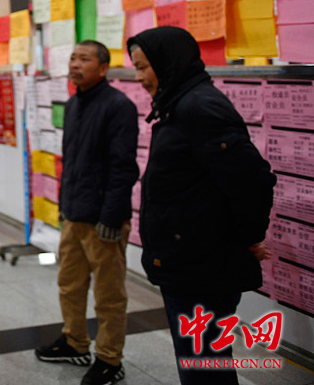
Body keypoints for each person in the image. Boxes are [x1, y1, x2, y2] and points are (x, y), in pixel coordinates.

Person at [127, 27, 275, 385]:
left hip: (201, 266)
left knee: (203, 366)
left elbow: (252, 181)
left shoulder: (199, 108)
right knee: (201, 362)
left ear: (168, 63)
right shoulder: (178, 104)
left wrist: (247, 237)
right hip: (187, 260)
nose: (139, 77)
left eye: (143, 67)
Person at [35, 41, 139, 385]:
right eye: (72, 58)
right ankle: (75, 342)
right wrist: (64, 208)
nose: (75, 65)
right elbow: (72, 162)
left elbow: (123, 168)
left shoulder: (118, 106)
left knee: (109, 295)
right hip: (74, 214)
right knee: (69, 284)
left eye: (84, 59)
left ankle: (109, 359)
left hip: (102, 220)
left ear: (104, 68)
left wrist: (112, 217)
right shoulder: (74, 103)